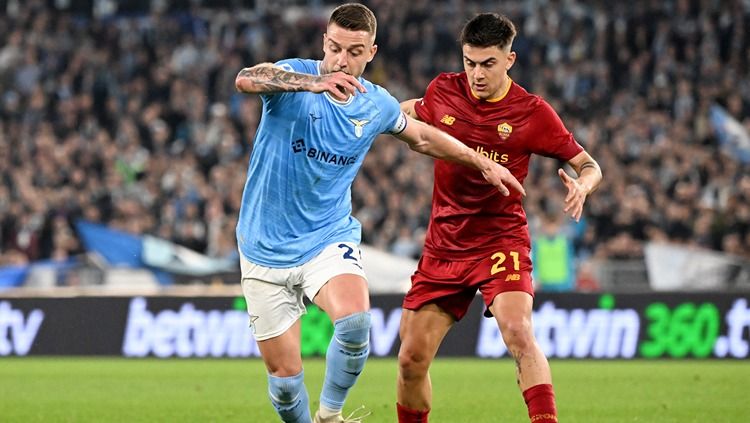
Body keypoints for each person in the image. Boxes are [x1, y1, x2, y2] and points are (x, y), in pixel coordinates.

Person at [233, 4, 524, 423]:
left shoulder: (375, 105)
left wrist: (482, 162)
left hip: (326, 239)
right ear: (324, 43)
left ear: (371, 52)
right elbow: (247, 78)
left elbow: (423, 137)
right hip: (262, 247)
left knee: (354, 325)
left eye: (354, 52)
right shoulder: (294, 76)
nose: (341, 60)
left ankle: (330, 415)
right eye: (334, 48)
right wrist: (311, 83)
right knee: (284, 380)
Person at [396, 13, 603, 423]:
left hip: (500, 239)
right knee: (410, 360)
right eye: (469, 62)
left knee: (518, 331)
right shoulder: (443, 91)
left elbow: (588, 163)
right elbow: (407, 112)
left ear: (510, 59)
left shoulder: (531, 112)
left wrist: (583, 186)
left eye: (487, 64)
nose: (476, 73)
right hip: (445, 244)